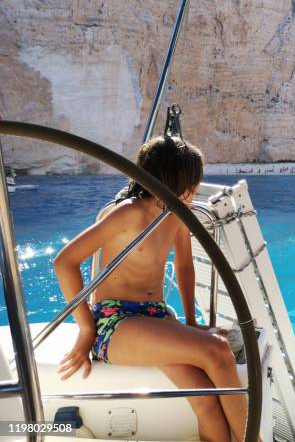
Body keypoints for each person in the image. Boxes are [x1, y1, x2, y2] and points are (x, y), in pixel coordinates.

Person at [54, 135, 250, 442]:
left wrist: (191, 322)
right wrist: (85, 330)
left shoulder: (176, 214)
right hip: (116, 323)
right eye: (193, 181)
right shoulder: (128, 213)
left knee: (206, 400)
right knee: (218, 350)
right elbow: (64, 262)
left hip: (155, 318)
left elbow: (185, 266)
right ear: (175, 180)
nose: (196, 188)